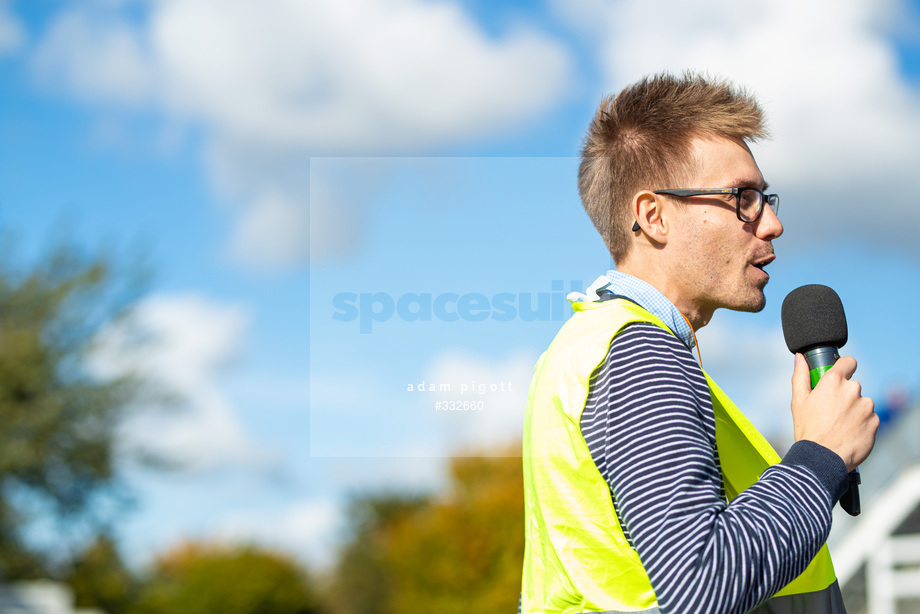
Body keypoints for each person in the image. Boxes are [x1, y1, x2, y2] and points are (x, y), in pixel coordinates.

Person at [520, 73, 878, 614]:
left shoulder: (585, 347)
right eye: (744, 198)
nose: (773, 224)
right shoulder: (639, 353)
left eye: (766, 198)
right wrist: (820, 457)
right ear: (653, 216)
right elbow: (703, 582)